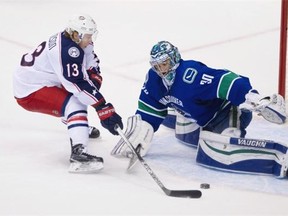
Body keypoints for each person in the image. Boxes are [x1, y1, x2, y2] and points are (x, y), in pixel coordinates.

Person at [111, 40, 288, 178]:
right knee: (186, 134)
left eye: (163, 64)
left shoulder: (191, 74)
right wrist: (142, 129)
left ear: (173, 59)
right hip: (199, 116)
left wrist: (253, 98)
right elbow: (150, 108)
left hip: (227, 111)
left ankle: (278, 160)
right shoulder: (154, 79)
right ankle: (179, 117)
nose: (160, 70)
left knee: (218, 152)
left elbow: (224, 79)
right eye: (156, 65)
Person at [13, 14, 123, 173]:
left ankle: (78, 125)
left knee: (77, 96)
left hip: (46, 79)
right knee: (75, 103)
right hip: (29, 88)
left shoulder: (77, 41)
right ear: (76, 34)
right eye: (87, 36)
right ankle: (78, 155)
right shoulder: (67, 51)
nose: (90, 40)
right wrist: (102, 107)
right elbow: (78, 85)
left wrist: (93, 78)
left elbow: (91, 61)